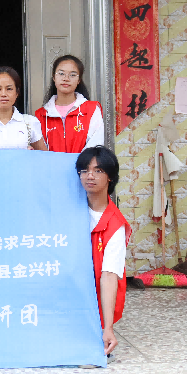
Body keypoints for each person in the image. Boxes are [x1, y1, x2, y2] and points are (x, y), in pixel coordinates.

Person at [76, 146, 131, 356]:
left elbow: (109, 276)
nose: (90, 176)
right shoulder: (69, 209)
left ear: (110, 177)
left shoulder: (115, 225)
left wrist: (108, 328)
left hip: (94, 298)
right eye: (85, 170)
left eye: (98, 171)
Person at [35, 55, 104, 153]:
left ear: (79, 80)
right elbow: (40, 152)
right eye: (61, 73)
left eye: (72, 75)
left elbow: (95, 146)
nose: (66, 78)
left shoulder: (92, 109)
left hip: (83, 163)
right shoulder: (41, 115)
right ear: (54, 77)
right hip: (51, 163)